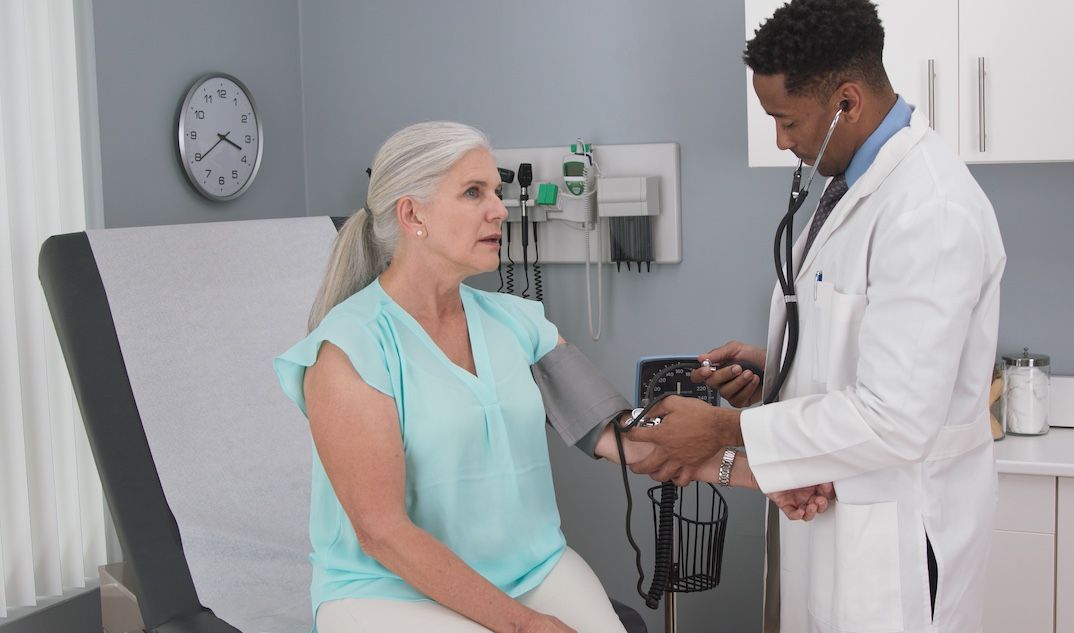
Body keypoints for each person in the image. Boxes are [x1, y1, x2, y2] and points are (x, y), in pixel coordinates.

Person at [626, 2, 1006, 632]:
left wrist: (723, 434)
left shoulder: (928, 210)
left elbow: (897, 416)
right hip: (834, 509)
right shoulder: (855, 187)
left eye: (786, 119)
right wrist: (776, 370)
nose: (780, 140)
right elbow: (855, 342)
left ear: (847, 104)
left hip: (896, 542)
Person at [273, 121, 654, 633]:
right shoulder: (350, 349)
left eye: (496, 192)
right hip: (388, 588)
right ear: (413, 214)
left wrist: (738, 458)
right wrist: (523, 625)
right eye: (473, 193)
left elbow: (619, 435)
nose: (499, 209)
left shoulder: (518, 322)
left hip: (531, 568)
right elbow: (382, 533)